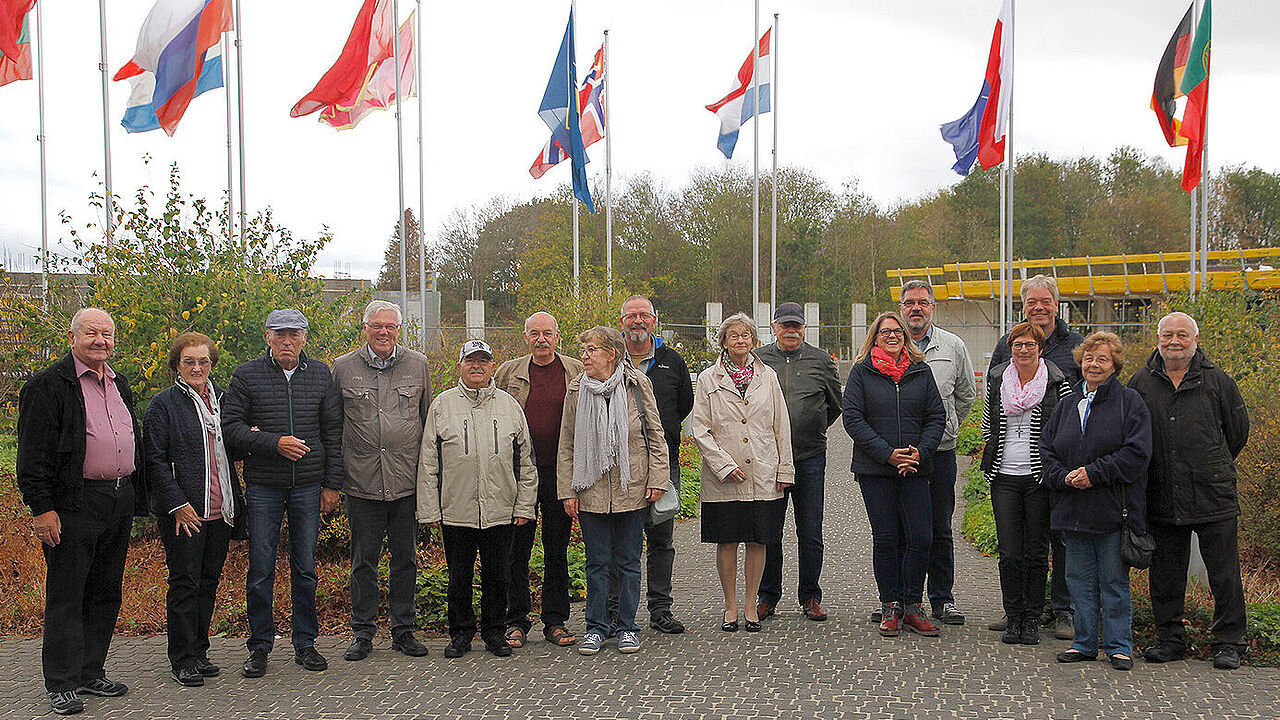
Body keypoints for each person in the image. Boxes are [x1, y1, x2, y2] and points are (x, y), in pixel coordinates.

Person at [16, 308, 148, 716]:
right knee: (68, 595)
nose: (100, 341)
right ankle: (61, 683)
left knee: (106, 591)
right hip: (74, 504)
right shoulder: (48, 386)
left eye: (107, 334)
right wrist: (43, 508)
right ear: (71, 336)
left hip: (117, 499)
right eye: (91, 333)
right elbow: (32, 455)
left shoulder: (119, 382)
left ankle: (91, 671)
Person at [222, 309, 343, 678]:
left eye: (294, 334)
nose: (287, 341)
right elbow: (230, 428)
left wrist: (332, 484)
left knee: (305, 568)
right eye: (280, 335)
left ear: (305, 338)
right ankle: (259, 646)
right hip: (263, 488)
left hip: (308, 486)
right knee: (260, 569)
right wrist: (274, 442)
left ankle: (305, 643)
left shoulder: (321, 374)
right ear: (268, 337)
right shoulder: (247, 374)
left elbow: (333, 433)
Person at [1129, 312, 1251, 670]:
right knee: (1165, 574)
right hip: (1162, 495)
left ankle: (1229, 642)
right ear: (1158, 339)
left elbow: (1237, 433)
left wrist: (1210, 464)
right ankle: (1170, 640)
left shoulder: (1218, 382)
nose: (1174, 342)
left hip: (1213, 495)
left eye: (1182, 335)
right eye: (1168, 335)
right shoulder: (1141, 382)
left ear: (1195, 340)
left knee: (1224, 574)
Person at [416, 339, 538, 659]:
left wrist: (525, 505)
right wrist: (429, 507)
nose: (477, 366)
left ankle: (494, 631)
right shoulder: (442, 405)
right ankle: (460, 633)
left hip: (500, 508)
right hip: (457, 508)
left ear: (491, 367)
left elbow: (526, 460)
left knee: (498, 574)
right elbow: (429, 461)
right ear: (460, 365)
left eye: (483, 361)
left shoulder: (509, 405)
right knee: (459, 575)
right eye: (470, 361)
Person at [1042, 332, 1151, 671]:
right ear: (1080, 362)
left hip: (1112, 510)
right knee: (1078, 581)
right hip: (1073, 510)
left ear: (1115, 364)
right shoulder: (1066, 404)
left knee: (1113, 582)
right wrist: (1063, 477)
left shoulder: (1129, 402)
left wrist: (1093, 472)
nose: (1094, 364)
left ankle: (1119, 646)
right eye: (1089, 358)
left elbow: (1137, 453)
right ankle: (1085, 643)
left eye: (1102, 359)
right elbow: (1047, 450)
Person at [331, 300, 433, 661]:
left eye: (390, 326)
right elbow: (333, 426)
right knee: (363, 561)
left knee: (405, 558)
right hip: (362, 482)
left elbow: (427, 422)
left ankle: (404, 630)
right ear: (365, 328)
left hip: (406, 481)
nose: (384, 332)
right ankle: (363, 632)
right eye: (377, 326)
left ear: (399, 330)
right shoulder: (342, 368)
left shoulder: (417, 365)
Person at [558, 326, 670, 655]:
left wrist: (657, 478)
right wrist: (568, 490)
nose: (585, 355)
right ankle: (595, 627)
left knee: (628, 562)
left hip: (631, 488)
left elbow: (655, 433)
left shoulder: (636, 384)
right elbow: (567, 444)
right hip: (590, 489)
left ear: (611, 354)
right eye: (584, 350)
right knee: (596, 562)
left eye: (591, 349)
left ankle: (627, 627)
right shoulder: (577, 389)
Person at [144, 332, 246, 687]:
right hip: (185, 513)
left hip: (220, 509)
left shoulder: (223, 401)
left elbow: (232, 446)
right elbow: (154, 461)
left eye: (204, 361)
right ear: (177, 365)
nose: (197, 367)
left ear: (212, 365)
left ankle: (200, 652)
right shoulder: (163, 405)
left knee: (208, 582)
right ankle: (182, 659)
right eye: (190, 361)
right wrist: (176, 504)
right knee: (184, 584)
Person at [988, 274, 1084, 640]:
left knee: (1054, 542)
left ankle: (1061, 611)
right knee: (1014, 548)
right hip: (1008, 471)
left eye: (1045, 301)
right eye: (1032, 302)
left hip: (1053, 468)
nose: (1039, 308)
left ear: (1056, 305)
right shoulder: (1005, 345)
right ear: (1023, 306)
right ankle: (1016, 612)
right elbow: (991, 410)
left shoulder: (1075, 346)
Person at [842, 311, 946, 638]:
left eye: (897, 331)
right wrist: (888, 454)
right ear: (875, 336)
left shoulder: (921, 371)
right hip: (876, 469)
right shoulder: (862, 372)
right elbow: (853, 419)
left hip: (916, 467)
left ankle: (913, 604)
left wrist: (920, 451)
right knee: (886, 537)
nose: (892, 336)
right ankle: (890, 604)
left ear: (905, 336)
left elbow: (936, 416)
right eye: (885, 331)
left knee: (921, 537)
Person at [692, 313, 794, 632]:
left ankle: (751, 604)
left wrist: (784, 469)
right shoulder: (709, 378)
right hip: (725, 475)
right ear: (723, 341)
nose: (740, 340)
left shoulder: (769, 377)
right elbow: (700, 428)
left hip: (763, 470)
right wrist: (723, 464)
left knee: (758, 540)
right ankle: (730, 605)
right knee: (727, 540)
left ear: (754, 341)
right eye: (733, 335)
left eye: (746, 335)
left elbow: (781, 425)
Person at [979, 322, 1072, 646]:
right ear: (1010, 348)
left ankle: (1032, 618)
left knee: (1036, 550)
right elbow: (987, 423)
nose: (1022, 350)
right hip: (1003, 476)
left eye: (1029, 344)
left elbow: (1066, 427)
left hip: (1039, 478)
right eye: (1017, 344)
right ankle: (1013, 616)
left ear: (1040, 348)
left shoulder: (1058, 380)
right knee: (1009, 552)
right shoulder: (997, 378)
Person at [496, 312, 584, 649]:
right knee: (516, 549)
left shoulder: (574, 370)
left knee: (556, 548)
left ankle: (555, 620)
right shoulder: (508, 372)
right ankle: (516, 620)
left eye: (547, 333)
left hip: (560, 473)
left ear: (558, 336)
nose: (541, 339)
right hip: (519, 474)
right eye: (535, 333)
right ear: (525, 336)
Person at [753, 302, 839, 623]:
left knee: (810, 530)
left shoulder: (821, 361)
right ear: (774, 327)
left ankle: (810, 595)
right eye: (785, 325)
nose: (791, 331)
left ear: (804, 328)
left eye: (797, 326)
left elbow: (835, 405)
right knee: (769, 531)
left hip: (810, 457)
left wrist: (811, 426)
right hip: (770, 459)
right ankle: (767, 595)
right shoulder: (759, 360)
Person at [612, 295, 694, 635]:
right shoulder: (611, 360)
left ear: (654, 321)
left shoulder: (671, 361)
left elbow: (684, 404)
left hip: (663, 466)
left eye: (644, 315)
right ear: (622, 323)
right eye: (631, 316)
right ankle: (616, 611)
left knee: (661, 539)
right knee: (621, 541)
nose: (638, 321)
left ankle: (660, 609)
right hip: (619, 467)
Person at [899, 280, 977, 626]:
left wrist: (944, 429)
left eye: (923, 302)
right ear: (901, 308)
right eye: (909, 302)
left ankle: (942, 599)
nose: (916, 308)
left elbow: (966, 395)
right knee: (901, 529)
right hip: (899, 455)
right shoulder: (888, 343)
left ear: (933, 307)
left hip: (940, 454)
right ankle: (899, 600)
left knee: (940, 528)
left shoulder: (953, 346)